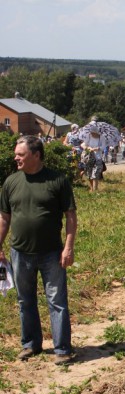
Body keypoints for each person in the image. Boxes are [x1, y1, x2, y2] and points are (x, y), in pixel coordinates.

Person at [0, 136, 77, 365]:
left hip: (52, 253)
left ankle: (62, 348)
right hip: (20, 253)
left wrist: (68, 247)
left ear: (36, 155)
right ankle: (30, 344)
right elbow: (4, 218)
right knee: (25, 301)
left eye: (20, 154)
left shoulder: (57, 180)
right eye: (16, 154)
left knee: (57, 300)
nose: (16, 158)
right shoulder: (11, 182)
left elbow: (70, 216)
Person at [81, 124, 107, 192]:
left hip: (98, 157)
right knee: (89, 174)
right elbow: (83, 144)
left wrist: (97, 148)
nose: (92, 134)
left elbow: (103, 147)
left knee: (95, 174)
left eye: (93, 132)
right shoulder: (88, 136)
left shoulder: (101, 138)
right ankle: (92, 188)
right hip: (89, 157)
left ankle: (95, 190)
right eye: (91, 132)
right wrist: (87, 148)